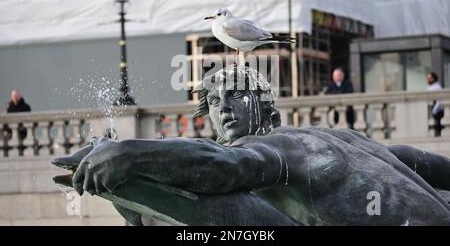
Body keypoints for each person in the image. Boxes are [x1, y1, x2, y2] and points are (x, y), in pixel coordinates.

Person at [53, 66, 450, 225]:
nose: (223, 108)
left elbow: (218, 169)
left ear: (270, 114)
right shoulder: (349, 142)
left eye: (238, 96)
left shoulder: (278, 150)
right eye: (213, 102)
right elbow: (428, 166)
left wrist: (127, 157)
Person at [427, 72, 445, 136]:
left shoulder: (437, 86)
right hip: (431, 105)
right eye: (427, 78)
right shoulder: (429, 86)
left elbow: (439, 99)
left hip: (437, 106)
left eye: (430, 78)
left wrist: (435, 109)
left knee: (437, 123)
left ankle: (438, 135)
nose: (428, 79)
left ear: (433, 78)